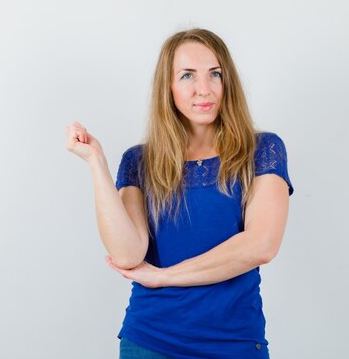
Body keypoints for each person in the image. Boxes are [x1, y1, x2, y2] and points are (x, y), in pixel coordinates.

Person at [65, 28, 293, 359]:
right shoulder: (139, 161)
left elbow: (260, 246)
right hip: (151, 341)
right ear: (168, 88)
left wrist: (164, 277)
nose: (205, 89)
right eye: (188, 75)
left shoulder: (262, 150)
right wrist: (96, 162)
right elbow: (128, 255)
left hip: (234, 343)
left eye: (214, 74)